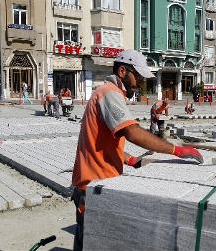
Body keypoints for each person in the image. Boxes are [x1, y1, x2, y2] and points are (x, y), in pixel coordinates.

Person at [71, 50, 203, 250]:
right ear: (123, 71)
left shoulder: (105, 93)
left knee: (87, 239)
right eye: (138, 76)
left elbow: (98, 141)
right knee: (93, 242)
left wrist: (129, 159)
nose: (140, 82)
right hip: (93, 186)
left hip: (92, 183)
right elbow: (132, 132)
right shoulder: (110, 93)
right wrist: (176, 150)